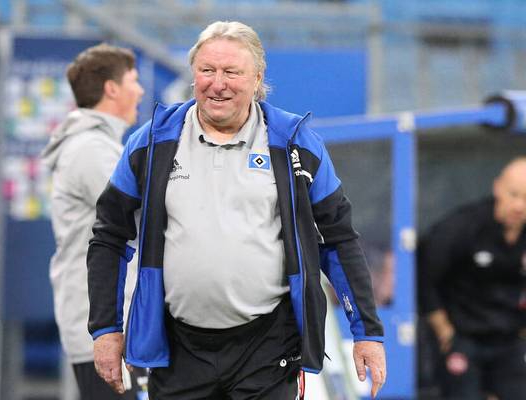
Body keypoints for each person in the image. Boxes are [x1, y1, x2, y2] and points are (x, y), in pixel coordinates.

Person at [87, 21, 386, 400]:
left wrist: (367, 332)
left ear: (257, 78)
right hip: (178, 348)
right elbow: (109, 236)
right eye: (207, 70)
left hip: (268, 347)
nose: (218, 84)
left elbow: (339, 239)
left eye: (231, 72)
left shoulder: (296, 144)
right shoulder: (151, 142)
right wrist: (106, 329)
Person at [41, 43, 145, 400]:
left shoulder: (99, 146)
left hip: (107, 325)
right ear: (112, 89)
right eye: (133, 81)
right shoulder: (91, 150)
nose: (140, 90)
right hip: (102, 330)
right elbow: (142, 216)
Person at [419, 157, 526, 400]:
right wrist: (444, 330)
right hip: (463, 336)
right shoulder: (462, 227)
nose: (519, 206)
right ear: (498, 188)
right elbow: (426, 278)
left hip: (510, 339)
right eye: (514, 195)